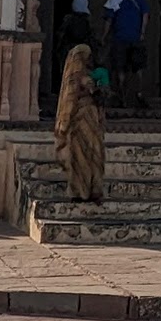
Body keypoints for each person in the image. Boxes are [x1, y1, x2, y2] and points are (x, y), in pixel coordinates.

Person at [54, 43, 105, 203]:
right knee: (91, 154)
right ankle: (93, 189)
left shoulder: (75, 78)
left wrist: (63, 125)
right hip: (91, 118)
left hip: (80, 120)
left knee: (79, 157)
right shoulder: (90, 78)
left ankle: (80, 191)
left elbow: (69, 102)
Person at [103, 0, 150, 109]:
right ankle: (139, 93)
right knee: (138, 67)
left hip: (119, 38)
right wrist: (142, 33)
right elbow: (145, 15)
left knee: (120, 68)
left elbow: (109, 20)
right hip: (135, 38)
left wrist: (104, 36)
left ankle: (123, 97)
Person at [58, 0, 93, 65]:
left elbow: (61, 35)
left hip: (69, 50)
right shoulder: (85, 21)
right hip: (81, 50)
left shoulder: (68, 19)